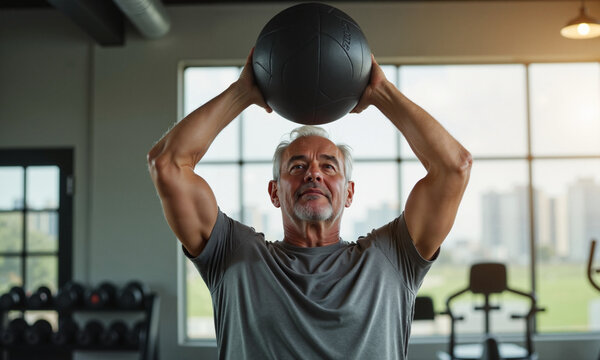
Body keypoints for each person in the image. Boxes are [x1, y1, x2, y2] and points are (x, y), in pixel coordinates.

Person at [147, 49, 472, 359]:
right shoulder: (233, 255)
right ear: (274, 193)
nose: (313, 174)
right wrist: (241, 93)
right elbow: (168, 164)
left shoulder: (392, 257)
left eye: (329, 166)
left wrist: (382, 93)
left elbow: (453, 166)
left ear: (349, 193)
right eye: (297, 166)